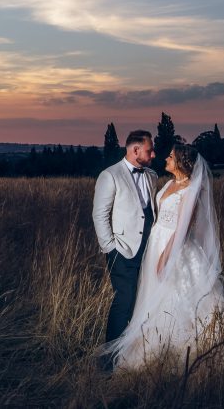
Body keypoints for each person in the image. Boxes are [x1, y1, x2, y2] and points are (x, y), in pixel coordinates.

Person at [106, 143, 224, 371]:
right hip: (155, 243)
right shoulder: (167, 183)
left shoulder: (191, 189)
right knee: (151, 293)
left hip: (174, 247)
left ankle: (177, 347)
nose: (165, 158)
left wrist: (167, 255)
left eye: (171, 156)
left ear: (181, 162)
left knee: (175, 295)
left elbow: (182, 228)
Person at [92, 130, 158, 345]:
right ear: (135, 150)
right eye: (149, 150)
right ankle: (109, 357)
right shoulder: (110, 175)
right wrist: (110, 248)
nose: (154, 155)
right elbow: (99, 214)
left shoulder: (151, 175)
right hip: (122, 250)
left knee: (142, 301)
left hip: (149, 251)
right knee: (124, 300)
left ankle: (133, 350)